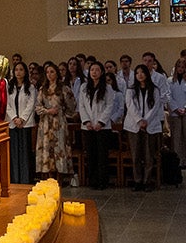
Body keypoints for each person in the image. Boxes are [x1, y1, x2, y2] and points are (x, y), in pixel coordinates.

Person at [77, 61, 118, 190]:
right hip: (87, 127)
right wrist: (87, 121)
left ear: (101, 72)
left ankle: (102, 181)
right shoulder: (84, 87)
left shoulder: (107, 88)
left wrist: (101, 122)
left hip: (102, 127)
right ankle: (92, 180)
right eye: (92, 70)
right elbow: (81, 106)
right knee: (91, 154)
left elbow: (109, 106)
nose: (94, 72)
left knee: (102, 155)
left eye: (97, 70)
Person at [122, 64, 164, 192]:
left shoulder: (154, 89)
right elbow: (130, 106)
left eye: (142, 72)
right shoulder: (131, 90)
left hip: (150, 125)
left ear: (147, 74)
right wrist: (139, 120)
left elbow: (155, 106)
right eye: (137, 73)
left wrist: (146, 120)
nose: (140, 75)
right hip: (134, 125)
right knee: (136, 155)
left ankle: (147, 181)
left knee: (148, 154)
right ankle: (137, 180)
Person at [34, 62, 68, 182]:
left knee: (58, 148)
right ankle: (48, 177)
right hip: (46, 123)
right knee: (47, 149)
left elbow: (71, 106)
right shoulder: (43, 89)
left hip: (58, 123)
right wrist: (47, 111)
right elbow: (37, 107)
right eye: (47, 72)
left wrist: (60, 110)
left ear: (57, 73)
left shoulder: (64, 88)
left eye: (52, 72)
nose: (49, 74)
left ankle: (60, 177)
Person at [165, 51, 186, 168]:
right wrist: (176, 108)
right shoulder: (170, 81)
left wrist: (185, 108)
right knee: (176, 138)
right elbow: (168, 96)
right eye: (178, 66)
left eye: (182, 67)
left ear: (185, 68)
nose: (180, 69)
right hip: (175, 113)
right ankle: (177, 161)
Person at [6, 59, 37, 185]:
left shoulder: (31, 87)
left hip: (25, 124)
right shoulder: (9, 87)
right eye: (16, 70)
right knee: (13, 152)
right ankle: (15, 179)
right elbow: (7, 104)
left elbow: (31, 105)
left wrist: (22, 119)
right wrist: (14, 118)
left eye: (21, 70)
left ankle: (25, 179)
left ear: (25, 72)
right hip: (13, 124)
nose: (18, 72)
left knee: (25, 152)